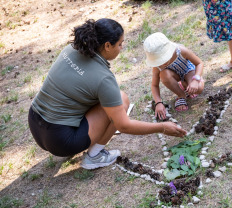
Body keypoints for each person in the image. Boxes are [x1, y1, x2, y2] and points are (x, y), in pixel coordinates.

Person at [28, 18, 187, 170]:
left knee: (103, 99)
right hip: (62, 142)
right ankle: (94, 156)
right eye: (120, 44)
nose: (122, 48)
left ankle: (87, 136)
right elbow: (123, 125)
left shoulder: (70, 49)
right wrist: (162, 127)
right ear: (107, 46)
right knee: (121, 99)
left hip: (35, 124)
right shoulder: (104, 79)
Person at [143, 32, 205, 118]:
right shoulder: (157, 66)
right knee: (164, 74)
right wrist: (158, 103)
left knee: (199, 88)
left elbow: (199, 63)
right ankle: (181, 95)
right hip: (174, 75)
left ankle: (187, 83)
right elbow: (154, 85)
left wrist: (196, 79)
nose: (162, 63)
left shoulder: (181, 51)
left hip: (188, 71)